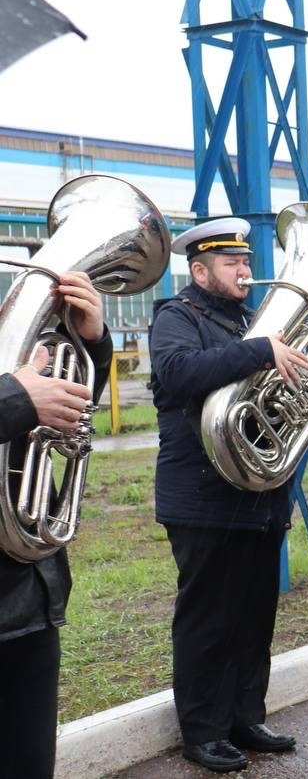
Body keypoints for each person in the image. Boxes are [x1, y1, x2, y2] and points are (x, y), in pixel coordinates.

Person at [148, 217, 308, 773]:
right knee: (208, 617)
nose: (245, 270)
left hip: (258, 496)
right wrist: (261, 350)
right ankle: (203, 729)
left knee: (253, 613)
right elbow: (177, 374)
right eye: (231, 263)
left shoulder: (252, 319)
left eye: (245, 262)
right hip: (202, 497)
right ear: (199, 270)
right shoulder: (177, 315)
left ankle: (245, 715)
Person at [0, 271, 110, 779]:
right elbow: (17, 401)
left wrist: (90, 345)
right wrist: (15, 401)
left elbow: (62, 418)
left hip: (28, 590)